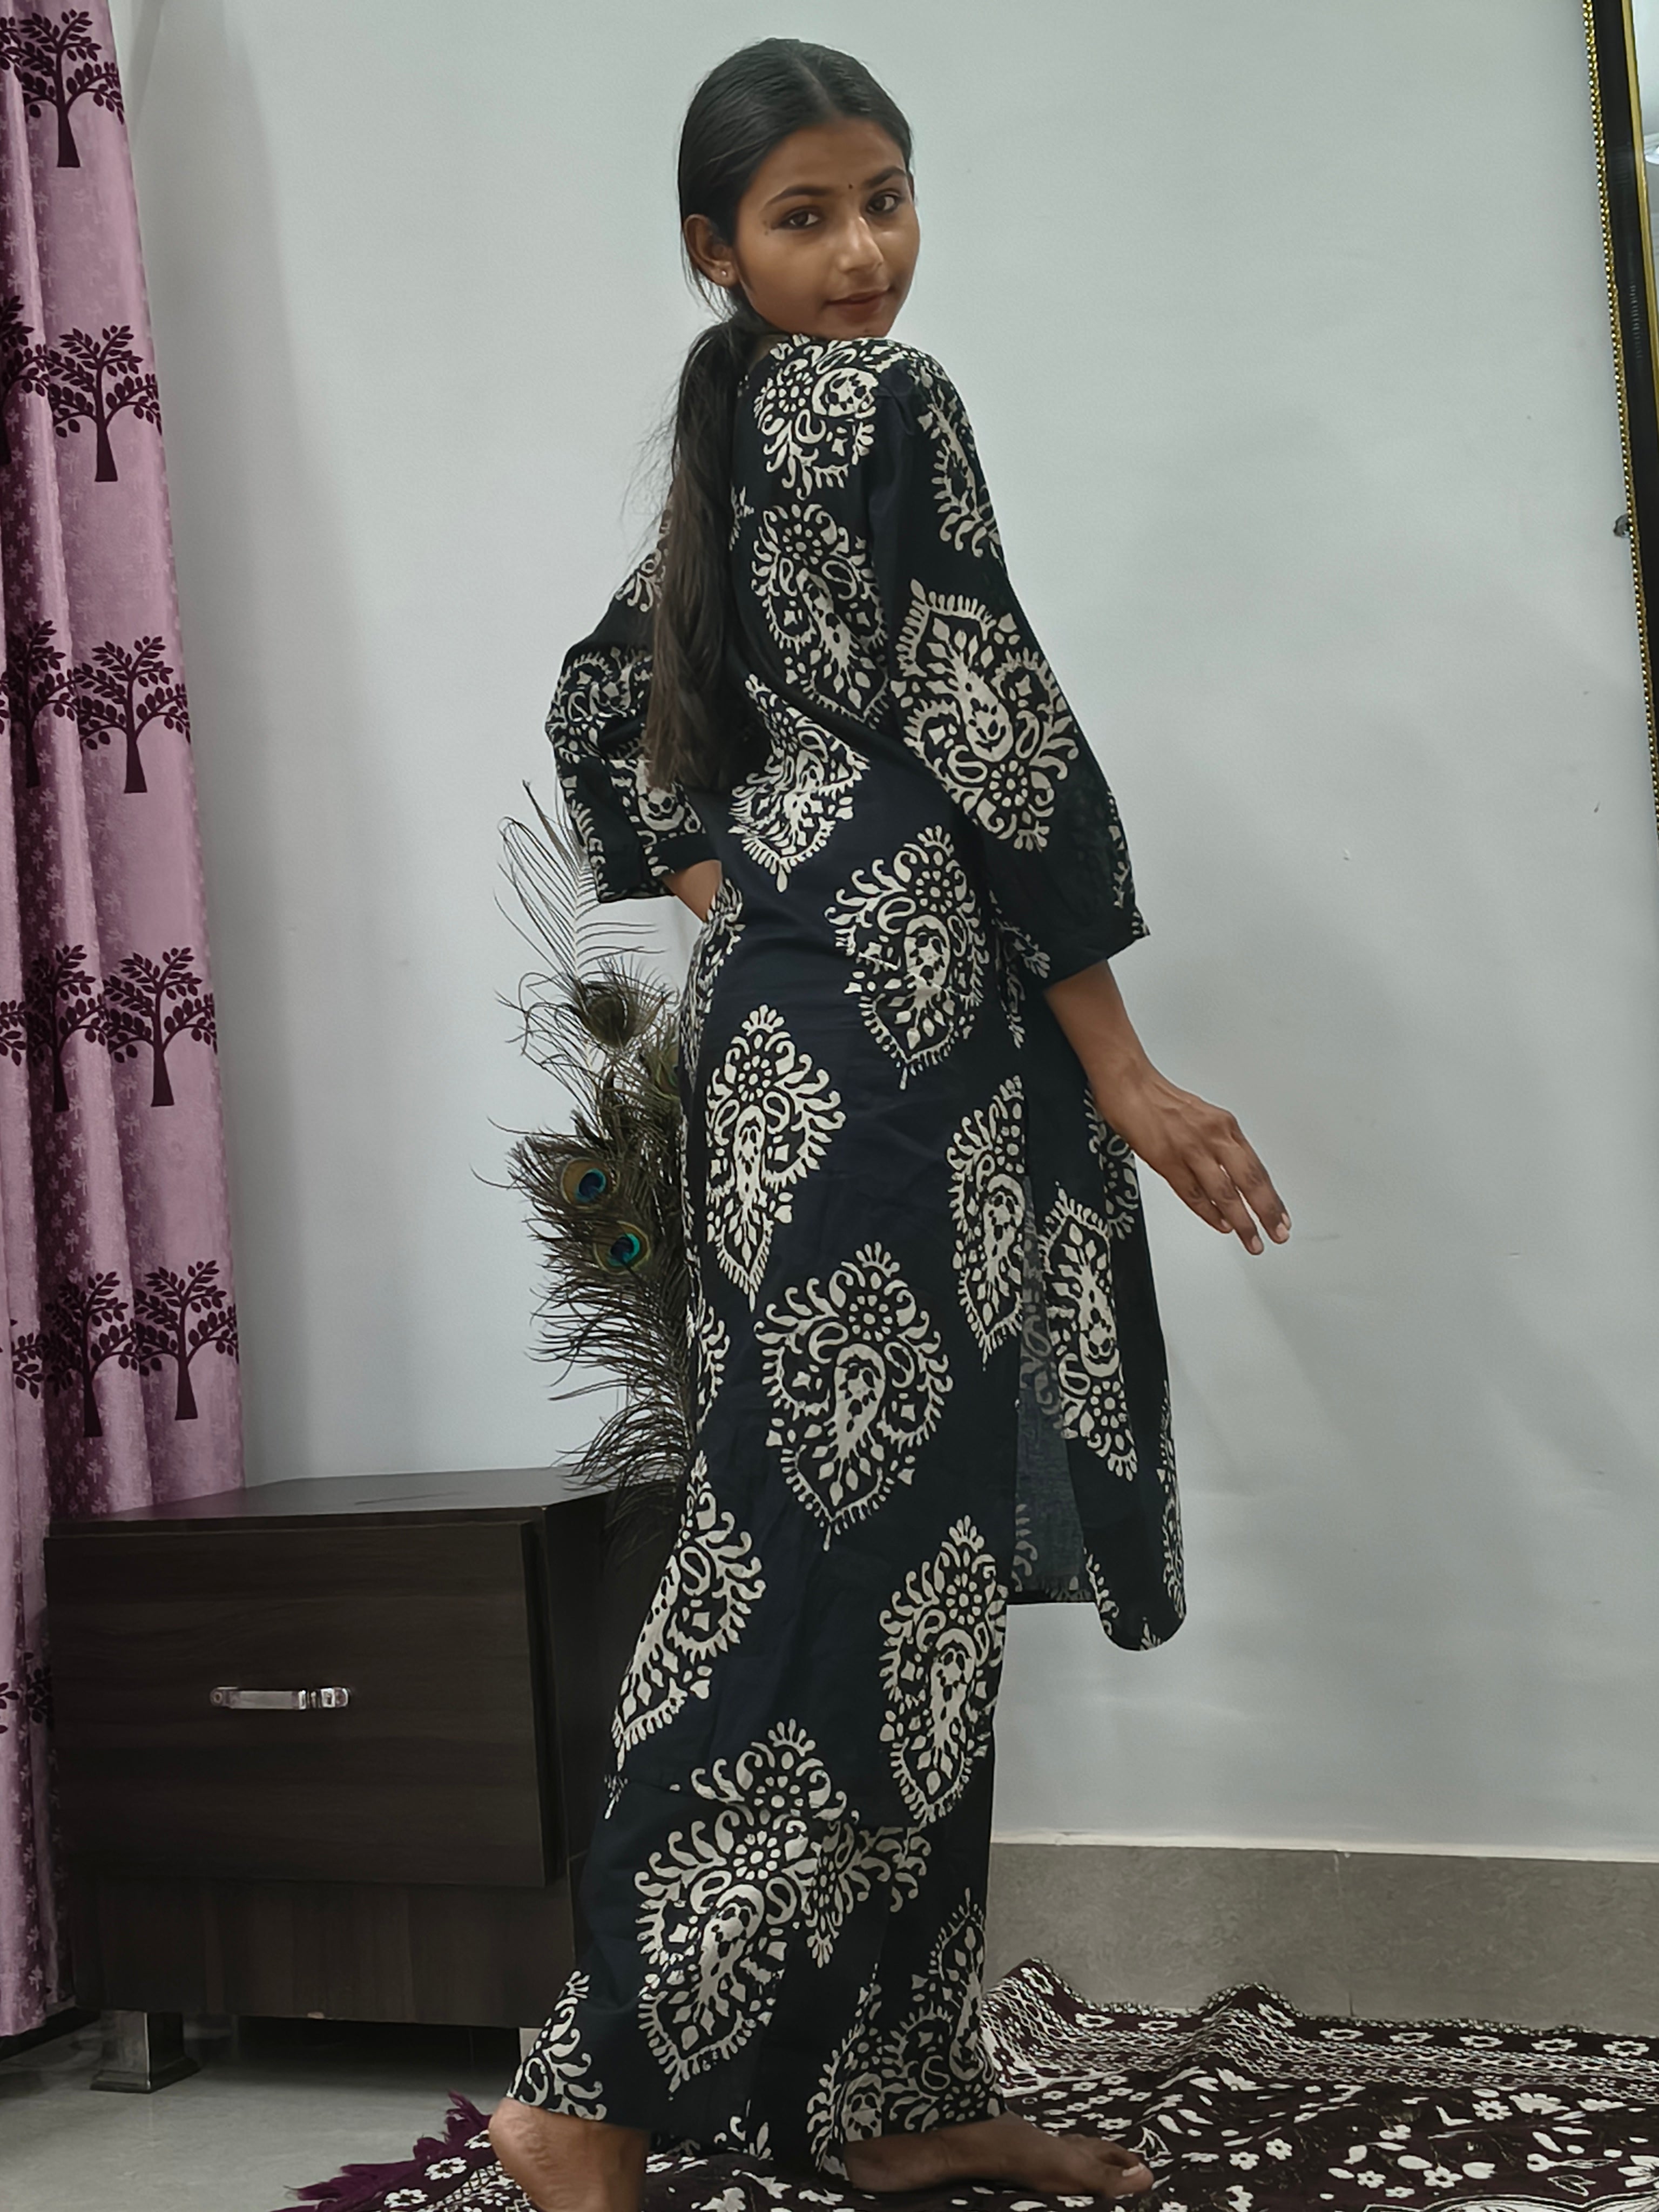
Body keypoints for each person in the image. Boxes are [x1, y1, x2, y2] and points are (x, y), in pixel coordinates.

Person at [490, 37, 1290, 2212]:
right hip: (883, 1085)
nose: (863, 252)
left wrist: (740, 889)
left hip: (817, 1070)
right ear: (715, 248)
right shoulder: (878, 404)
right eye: (807, 217)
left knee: (897, 1579)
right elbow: (992, 716)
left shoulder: (735, 440)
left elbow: (602, 699)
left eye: (887, 200)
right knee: (835, 1581)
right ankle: (588, 2086)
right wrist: (1122, 1063)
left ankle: (892, 2092)